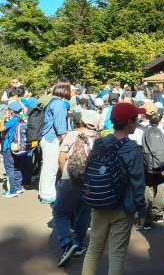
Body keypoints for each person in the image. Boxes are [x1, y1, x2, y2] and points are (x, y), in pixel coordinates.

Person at [82, 102, 146, 275]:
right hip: (123, 207)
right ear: (129, 123)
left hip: (99, 202)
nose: (137, 122)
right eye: (136, 119)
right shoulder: (133, 149)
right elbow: (138, 183)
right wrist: (141, 209)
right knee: (117, 254)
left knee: (94, 249)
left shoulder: (100, 143)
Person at [54, 110, 101, 267]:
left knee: (60, 212)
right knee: (83, 213)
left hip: (71, 179)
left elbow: (61, 157)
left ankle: (67, 243)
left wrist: (65, 173)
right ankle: (79, 244)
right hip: (90, 181)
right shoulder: (99, 138)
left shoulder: (73, 135)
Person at [39, 80, 71, 204]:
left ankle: (45, 192)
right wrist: (67, 142)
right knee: (51, 169)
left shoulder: (52, 101)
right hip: (52, 139)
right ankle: (48, 195)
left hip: (46, 138)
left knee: (47, 167)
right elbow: (60, 126)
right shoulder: (59, 104)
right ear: (65, 90)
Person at [0, 101, 25, 198]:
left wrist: (3, 119)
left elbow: (1, 128)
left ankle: (12, 190)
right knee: (17, 167)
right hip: (18, 147)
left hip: (9, 146)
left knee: (9, 169)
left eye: (8, 109)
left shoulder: (13, 119)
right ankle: (18, 187)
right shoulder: (21, 118)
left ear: (11, 110)